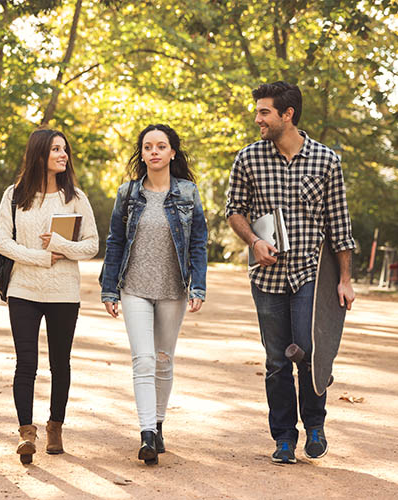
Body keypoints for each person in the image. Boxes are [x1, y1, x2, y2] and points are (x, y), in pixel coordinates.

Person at [226, 81, 355, 464]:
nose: (257, 119)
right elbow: (234, 209)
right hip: (267, 278)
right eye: (258, 112)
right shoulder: (248, 158)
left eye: (264, 112)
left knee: (311, 353)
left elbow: (340, 225)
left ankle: (315, 424)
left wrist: (345, 279)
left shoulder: (326, 160)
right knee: (277, 360)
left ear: (287, 115)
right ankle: (284, 438)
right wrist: (253, 241)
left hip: (310, 275)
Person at [100, 124, 208, 465]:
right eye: (148, 147)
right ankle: (146, 433)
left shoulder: (188, 193)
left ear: (172, 152)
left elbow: (199, 243)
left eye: (161, 146)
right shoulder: (128, 194)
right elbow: (115, 241)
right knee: (143, 359)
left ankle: (159, 424)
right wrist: (109, 287)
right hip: (135, 288)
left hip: (173, 289)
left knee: (163, 360)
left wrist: (198, 286)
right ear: (142, 153)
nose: (155, 152)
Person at [0, 129, 98, 464]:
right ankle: (27, 433)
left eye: (64, 149)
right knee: (26, 363)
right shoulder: (14, 195)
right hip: (23, 289)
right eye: (56, 149)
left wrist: (60, 245)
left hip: (64, 293)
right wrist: (40, 256)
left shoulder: (76, 197)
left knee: (60, 364)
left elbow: (92, 244)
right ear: (39, 153)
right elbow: (2, 243)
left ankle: (56, 426)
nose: (63, 154)